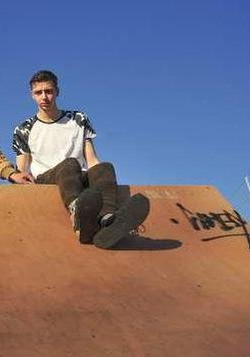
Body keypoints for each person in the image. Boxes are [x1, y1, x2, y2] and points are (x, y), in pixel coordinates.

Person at [11, 70, 149, 248]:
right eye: (39, 93)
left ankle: (108, 220)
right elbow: (22, 170)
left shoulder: (78, 119)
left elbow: (91, 159)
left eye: (49, 91)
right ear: (32, 95)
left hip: (78, 177)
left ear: (57, 92)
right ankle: (78, 216)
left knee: (105, 166)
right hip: (48, 179)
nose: (44, 97)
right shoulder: (24, 128)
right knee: (70, 164)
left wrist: (103, 178)